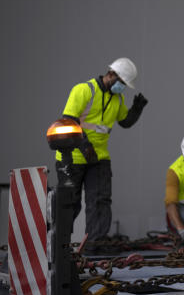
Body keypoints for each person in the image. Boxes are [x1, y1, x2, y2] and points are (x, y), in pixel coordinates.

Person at [56, 57, 147, 245]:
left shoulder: (117, 99)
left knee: (100, 201)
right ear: (111, 74)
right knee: (69, 204)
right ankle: (57, 244)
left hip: (98, 158)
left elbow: (125, 122)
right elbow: (69, 120)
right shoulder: (83, 90)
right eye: (121, 82)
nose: (121, 87)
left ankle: (95, 244)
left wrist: (137, 109)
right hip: (72, 156)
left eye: (124, 84)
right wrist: (85, 145)